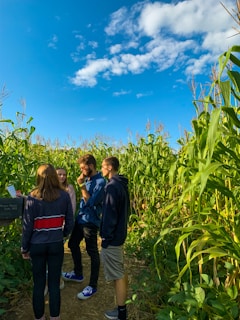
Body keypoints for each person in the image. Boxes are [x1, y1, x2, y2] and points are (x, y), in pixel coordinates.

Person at [21, 164, 74, 320]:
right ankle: (55, 317)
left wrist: (25, 247)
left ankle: (39, 317)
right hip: (56, 243)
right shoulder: (64, 196)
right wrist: (62, 234)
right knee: (54, 284)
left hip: (37, 245)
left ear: (39, 177)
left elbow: (27, 226)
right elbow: (70, 221)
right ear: (54, 177)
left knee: (38, 284)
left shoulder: (32, 197)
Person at [62, 154, 106, 300]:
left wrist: (81, 186)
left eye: (83, 168)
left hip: (91, 222)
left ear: (91, 166)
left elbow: (91, 202)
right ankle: (78, 273)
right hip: (81, 219)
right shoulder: (88, 179)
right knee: (73, 244)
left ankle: (93, 286)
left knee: (92, 251)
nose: (81, 171)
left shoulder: (100, 181)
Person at [100, 156, 130, 320]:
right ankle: (121, 310)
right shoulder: (122, 184)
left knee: (117, 275)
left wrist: (106, 238)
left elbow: (110, 215)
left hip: (113, 238)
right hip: (119, 234)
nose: (101, 170)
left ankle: (121, 313)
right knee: (119, 271)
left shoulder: (112, 187)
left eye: (103, 167)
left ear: (110, 167)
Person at [44, 167, 77, 296]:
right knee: (48, 255)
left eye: (64, 175)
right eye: (59, 174)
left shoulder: (69, 189)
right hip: (49, 226)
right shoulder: (50, 189)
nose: (62, 177)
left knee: (57, 255)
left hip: (61, 227)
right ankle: (47, 281)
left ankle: (57, 279)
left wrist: (65, 227)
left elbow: (72, 208)